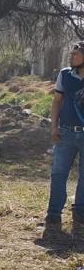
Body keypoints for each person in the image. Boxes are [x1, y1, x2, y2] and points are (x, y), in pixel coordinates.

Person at [45, 42, 84, 228]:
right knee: (58, 173)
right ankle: (54, 212)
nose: (72, 57)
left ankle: (80, 212)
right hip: (66, 132)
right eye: (71, 54)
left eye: (76, 54)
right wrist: (54, 127)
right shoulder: (65, 75)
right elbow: (57, 101)